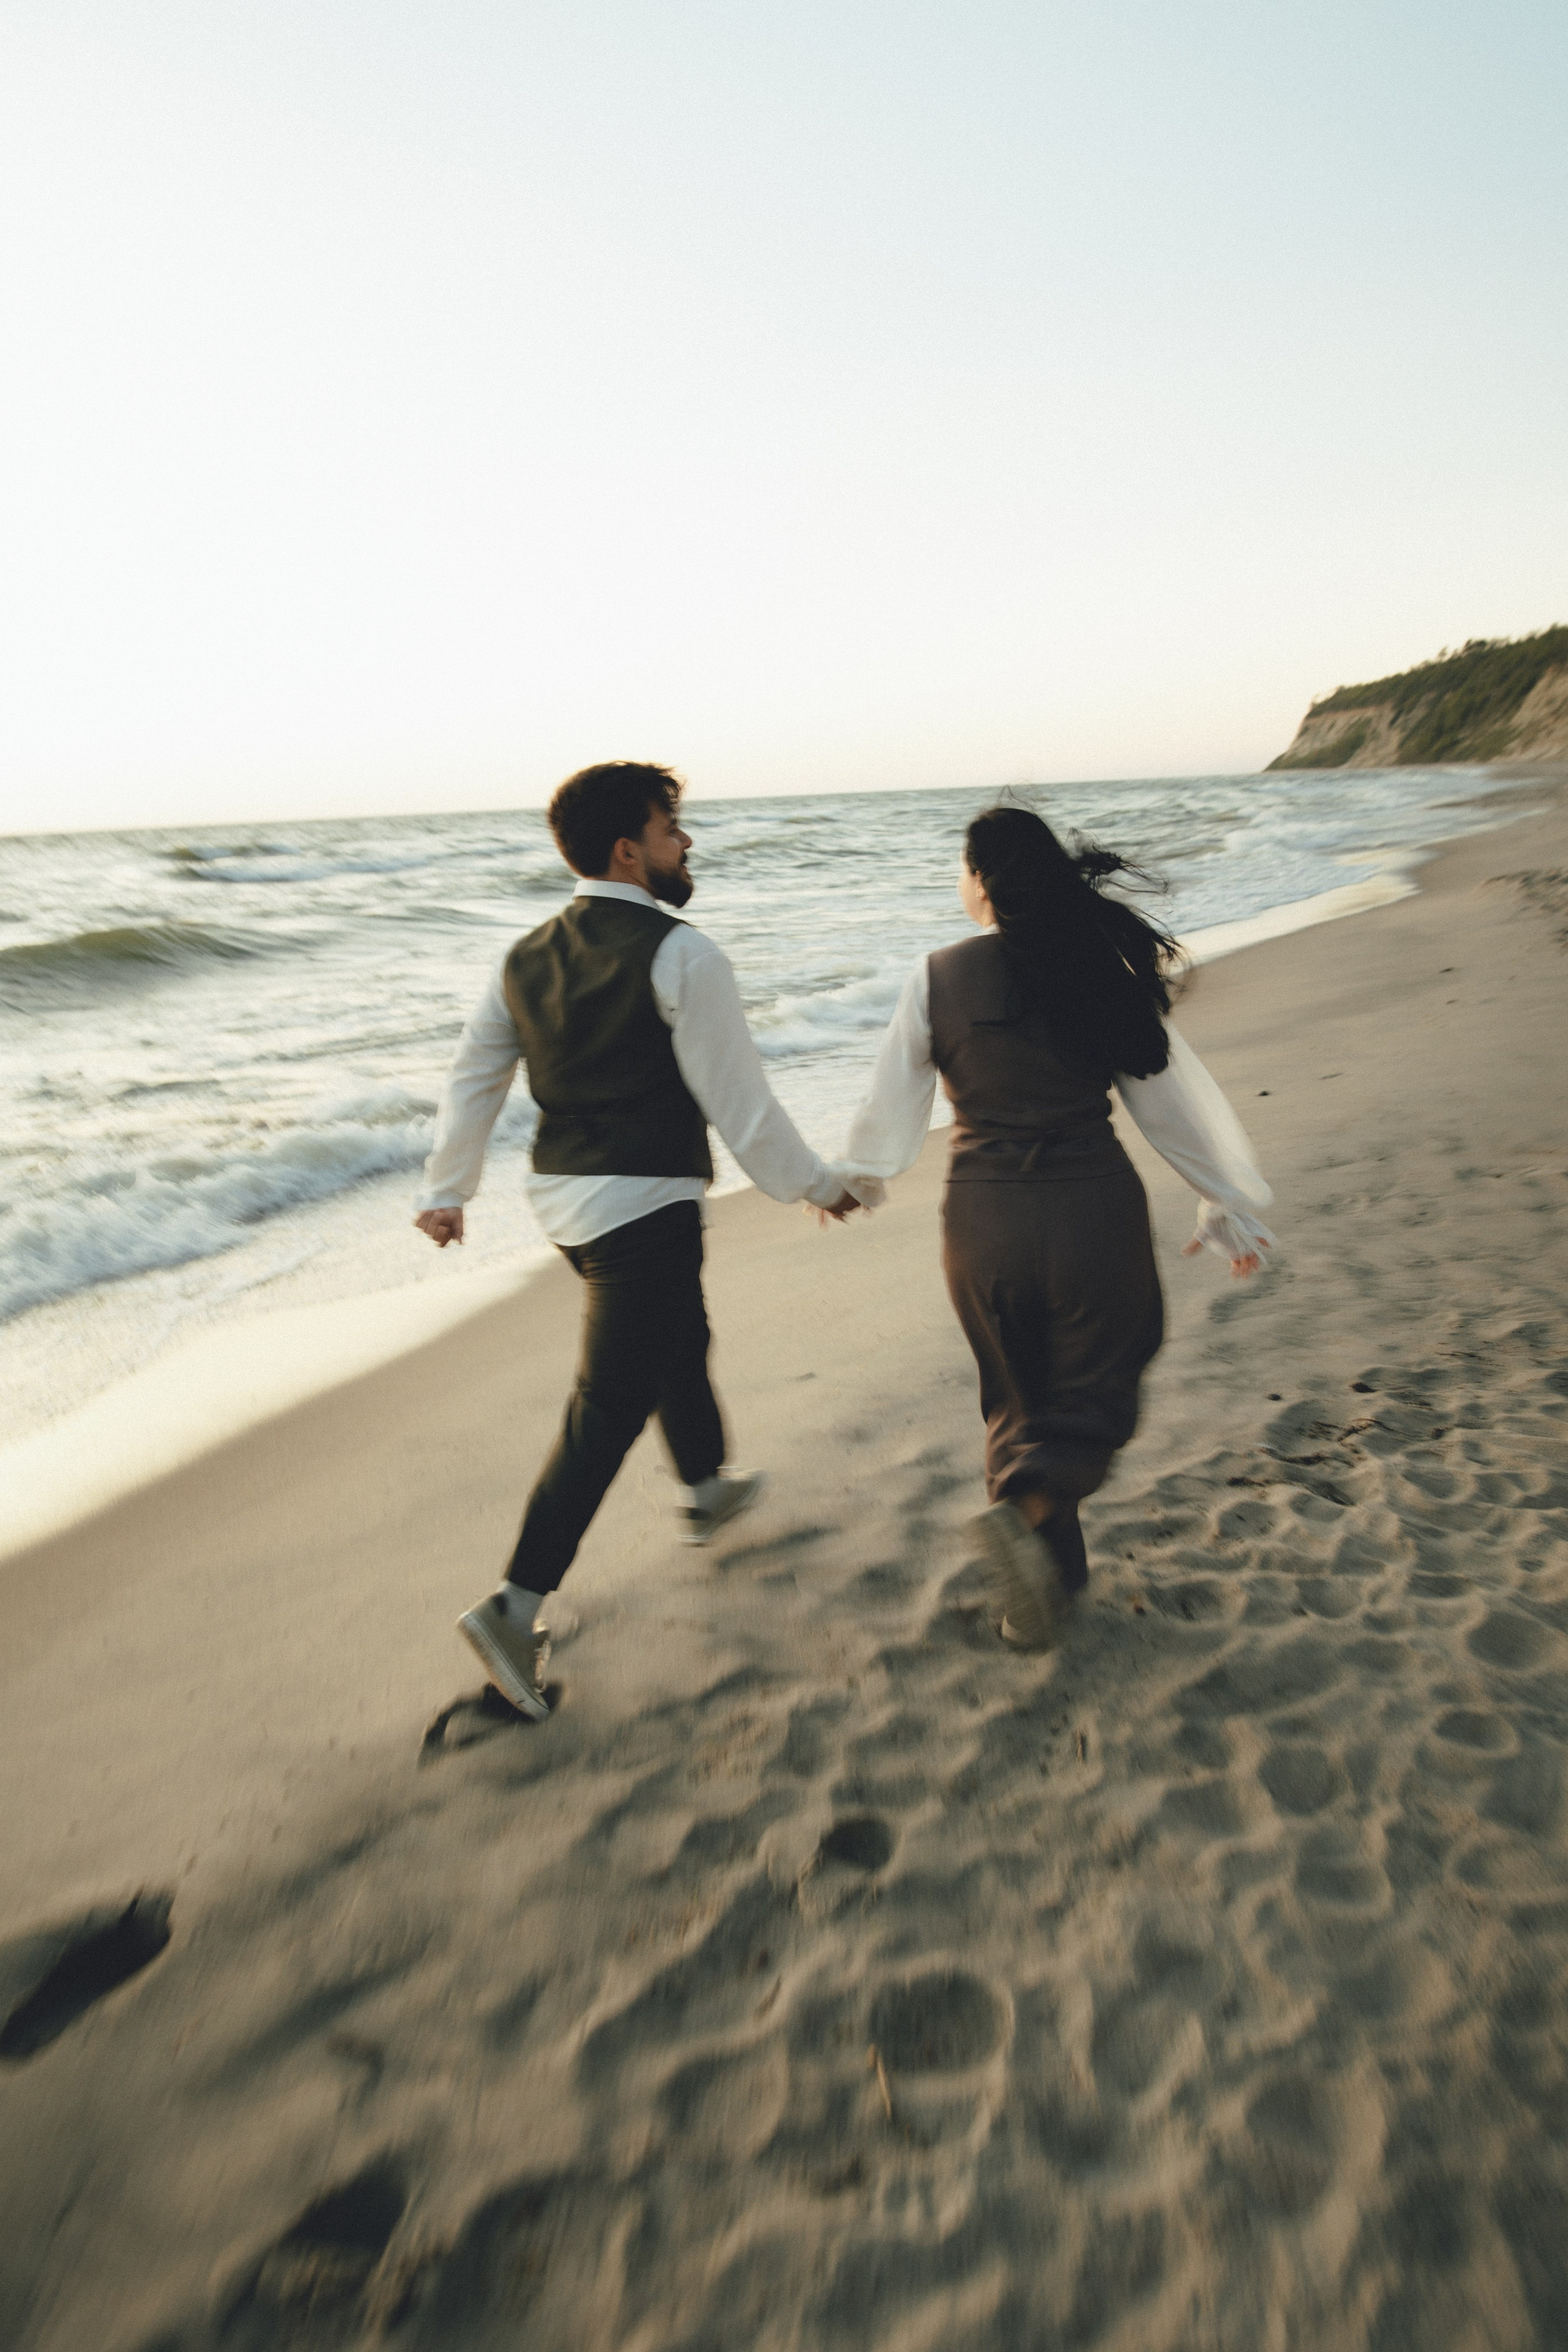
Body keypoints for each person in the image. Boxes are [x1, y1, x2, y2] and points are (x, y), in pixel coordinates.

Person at [415, 761, 856, 1718]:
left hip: (564, 1203)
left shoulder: (522, 957)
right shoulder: (683, 954)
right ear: (628, 851)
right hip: (642, 1203)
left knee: (675, 1338)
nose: (685, 843)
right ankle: (513, 1607)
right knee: (609, 1403)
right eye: (670, 829)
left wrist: (448, 1190)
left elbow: (473, 1076)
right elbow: (739, 1101)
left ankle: (704, 1489)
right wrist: (817, 1185)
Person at [836, 802, 1275, 1651]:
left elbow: (888, 1108)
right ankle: (1031, 1508)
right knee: (1107, 1372)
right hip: (1091, 1210)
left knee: (1017, 1396)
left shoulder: (936, 976)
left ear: (982, 880)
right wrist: (1227, 1200)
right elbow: (1169, 1105)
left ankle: (1042, 1592)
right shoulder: (1096, 967)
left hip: (983, 1220)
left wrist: (853, 1182)